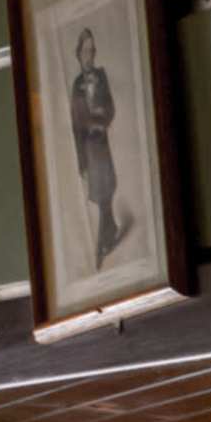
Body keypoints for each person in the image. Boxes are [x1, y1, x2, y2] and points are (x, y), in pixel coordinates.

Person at [68, 27, 122, 267]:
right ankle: (106, 236)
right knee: (100, 192)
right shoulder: (76, 85)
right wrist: (81, 162)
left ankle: (105, 237)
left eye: (92, 51)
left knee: (106, 187)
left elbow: (110, 108)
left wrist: (102, 118)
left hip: (102, 142)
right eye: (85, 51)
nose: (89, 56)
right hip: (88, 147)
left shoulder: (101, 76)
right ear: (78, 53)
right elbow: (76, 124)